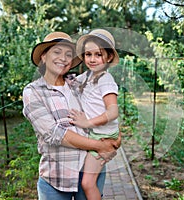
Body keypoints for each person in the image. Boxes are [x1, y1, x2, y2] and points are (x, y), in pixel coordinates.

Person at [22, 31, 120, 200]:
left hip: (90, 170)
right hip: (57, 177)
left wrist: (115, 138)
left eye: (69, 54)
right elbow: (55, 134)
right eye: (57, 52)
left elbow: (106, 107)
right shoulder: (33, 92)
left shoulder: (79, 83)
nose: (64, 58)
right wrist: (100, 146)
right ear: (44, 57)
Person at [68, 29, 120, 200]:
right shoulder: (89, 75)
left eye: (98, 54)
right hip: (98, 135)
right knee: (89, 182)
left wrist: (88, 123)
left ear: (109, 57)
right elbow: (74, 82)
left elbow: (113, 111)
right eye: (88, 54)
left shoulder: (105, 80)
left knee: (88, 183)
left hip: (101, 136)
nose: (92, 59)